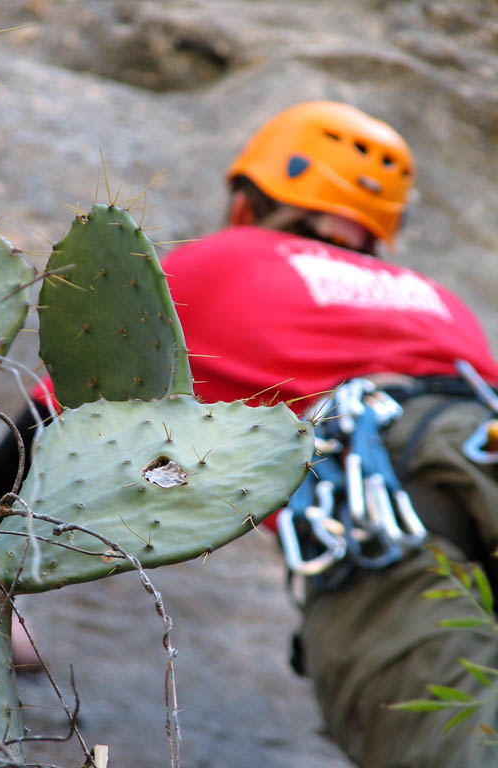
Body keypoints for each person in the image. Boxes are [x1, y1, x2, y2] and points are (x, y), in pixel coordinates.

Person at [159, 101, 498, 767]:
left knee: (459, 739)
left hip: (387, 505)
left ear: (246, 202)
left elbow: (53, 416)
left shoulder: (219, 260)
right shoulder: (434, 297)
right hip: (477, 437)